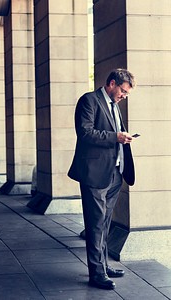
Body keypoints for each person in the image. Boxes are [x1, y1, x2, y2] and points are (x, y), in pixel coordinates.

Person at [68, 68, 136, 290]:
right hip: (94, 173)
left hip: (115, 173)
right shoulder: (89, 101)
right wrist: (116, 137)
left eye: (126, 93)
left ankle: (104, 265)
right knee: (95, 224)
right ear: (112, 83)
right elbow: (85, 133)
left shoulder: (115, 106)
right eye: (123, 91)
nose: (124, 96)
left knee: (105, 224)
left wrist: (122, 139)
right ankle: (96, 273)